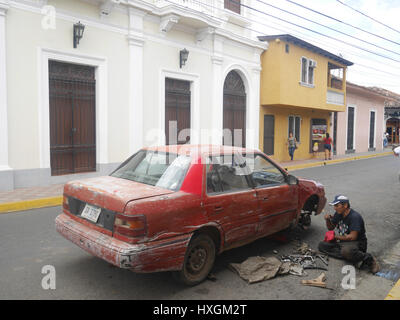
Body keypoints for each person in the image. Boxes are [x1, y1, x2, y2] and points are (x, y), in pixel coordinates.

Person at [318, 195, 380, 274]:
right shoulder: (338, 213)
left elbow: (352, 237)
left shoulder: (354, 217)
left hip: (357, 243)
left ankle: (369, 259)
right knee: (322, 245)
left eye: (337, 205)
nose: (335, 208)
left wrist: (335, 237)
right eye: (334, 206)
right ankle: (352, 257)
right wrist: (327, 220)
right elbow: (330, 228)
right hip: (343, 241)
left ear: (345, 205)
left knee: (346, 251)